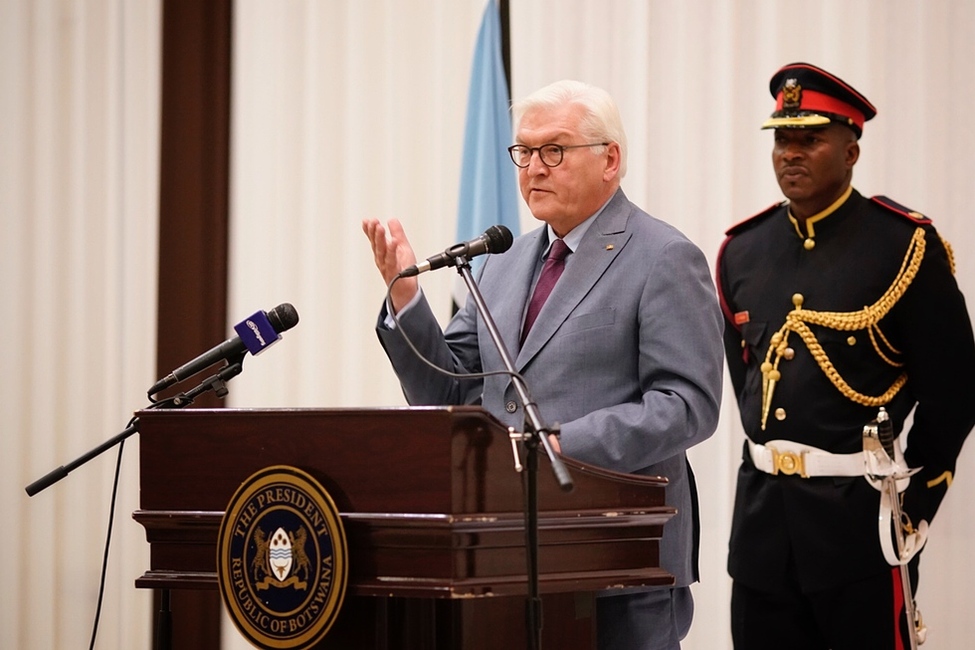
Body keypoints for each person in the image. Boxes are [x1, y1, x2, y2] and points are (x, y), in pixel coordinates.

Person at [363, 79, 724, 649]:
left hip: (618, 557)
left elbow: (687, 406)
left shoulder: (663, 257)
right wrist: (405, 295)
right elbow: (448, 391)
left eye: (553, 150)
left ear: (611, 159)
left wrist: (561, 445)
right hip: (507, 556)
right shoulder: (501, 265)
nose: (534, 167)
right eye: (524, 152)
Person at [717, 61, 975, 649]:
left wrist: (915, 506)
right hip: (762, 529)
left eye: (811, 138)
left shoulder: (901, 245)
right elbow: (750, 383)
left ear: (851, 150)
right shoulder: (742, 251)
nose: (791, 153)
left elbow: (955, 394)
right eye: (783, 139)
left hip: (861, 529)